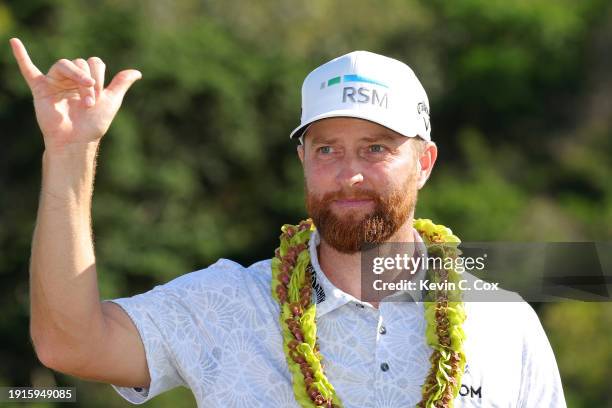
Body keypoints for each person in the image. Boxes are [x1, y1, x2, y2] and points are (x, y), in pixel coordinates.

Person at [11, 37, 567, 407]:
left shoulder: (505, 324)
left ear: (424, 163)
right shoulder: (226, 303)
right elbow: (69, 344)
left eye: (376, 148)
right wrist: (68, 153)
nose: (349, 175)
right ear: (304, 159)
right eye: (327, 149)